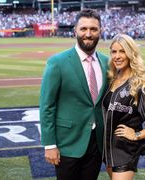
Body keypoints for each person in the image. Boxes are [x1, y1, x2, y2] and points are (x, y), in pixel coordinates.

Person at [39, 9, 108, 180]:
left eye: (93, 29)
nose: (88, 34)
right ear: (75, 31)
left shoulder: (107, 62)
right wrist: (49, 144)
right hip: (67, 143)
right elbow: (47, 106)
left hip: (97, 143)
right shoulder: (58, 62)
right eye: (83, 29)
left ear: (101, 31)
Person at [102, 34, 145, 180]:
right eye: (114, 52)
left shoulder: (142, 84)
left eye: (122, 51)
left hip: (126, 151)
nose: (117, 56)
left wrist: (136, 135)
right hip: (108, 150)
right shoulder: (112, 79)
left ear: (131, 54)